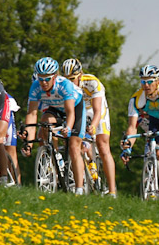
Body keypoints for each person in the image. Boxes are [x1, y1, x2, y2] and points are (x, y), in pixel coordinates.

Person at [22, 57, 88, 194]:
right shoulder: (35, 87)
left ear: (55, 76)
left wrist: (68, 128)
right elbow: (32, 115)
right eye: (41, 79)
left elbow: (70, 113)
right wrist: (28, 141)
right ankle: (55, 155)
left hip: (74, 108)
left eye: (47, 79)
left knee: (74, 146)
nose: (44, 82)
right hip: (56, 109)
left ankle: (79, 189)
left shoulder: (65, 85)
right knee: (44, 122)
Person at [61, 58, 116, 196]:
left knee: (102, 146)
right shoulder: (64, 86)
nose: (70, 82)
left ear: (80, 75)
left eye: (72, 78)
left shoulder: (92, 83)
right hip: (79, 111)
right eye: (67, 79)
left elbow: (98, 110)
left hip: (96, 110)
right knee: (74, 143)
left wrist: (93, 125)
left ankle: (112, 191)